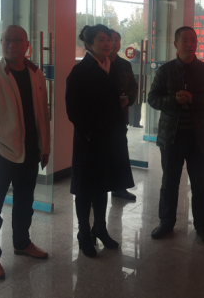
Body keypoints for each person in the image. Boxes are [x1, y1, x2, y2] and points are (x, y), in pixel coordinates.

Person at [0, 25, 51, 280]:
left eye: (18, 40)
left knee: (25, 203)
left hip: (30, 152)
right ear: (1, 42)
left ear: (27, 44)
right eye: (7, 40)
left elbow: (43, 114)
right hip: (2, 155)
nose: (12, 44)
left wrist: (45, 147)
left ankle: (22, 243)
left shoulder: (36, 74)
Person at [147, 26, 204, 245]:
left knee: (200, 184)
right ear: (175, 44)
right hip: (171, 138)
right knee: (169, 183)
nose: (189, 44)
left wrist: (193, 99)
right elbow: (152, 98)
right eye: (184, 40)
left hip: (199, 137)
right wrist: (173, 100)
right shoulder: (165, 71)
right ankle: (166, 223)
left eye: (193, 40)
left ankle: (202, 226)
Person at [66, 24, 135, 257]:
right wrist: (89, 134)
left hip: (112, 137)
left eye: (109, 39)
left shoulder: (111, 67)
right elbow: (73, 109)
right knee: (85, 189)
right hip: (90, 141)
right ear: (89, 44)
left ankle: (100, 228)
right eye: (102, 40)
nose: (108, 44)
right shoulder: (79, 71)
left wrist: (122, 103)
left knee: (103, 185)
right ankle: (84, 233)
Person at [109, 30, 138, 201]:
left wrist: (128, 99)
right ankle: (94, 192)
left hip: (120, 116)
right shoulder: (98, 65)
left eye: (117, 39)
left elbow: (134, 86)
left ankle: (119, 188)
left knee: (120, 153)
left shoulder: (125, 65)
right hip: (102, 119)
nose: (113, 43)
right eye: (110, 39)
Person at [128, 49, 143, 128]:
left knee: (131, 105)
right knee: (138, 105)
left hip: (130, 88)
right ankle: (136, 123)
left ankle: (130, 122)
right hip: (140, 87)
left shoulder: (129, 62)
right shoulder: (142, 62)